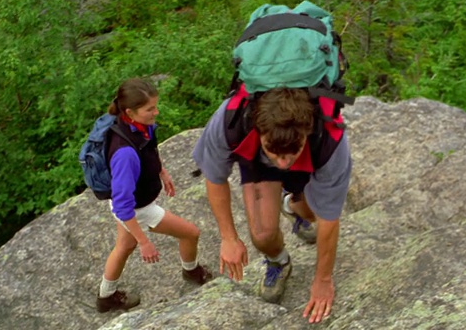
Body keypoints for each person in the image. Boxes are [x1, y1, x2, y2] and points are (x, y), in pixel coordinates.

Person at [192, 85, 351, 323]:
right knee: (263, 236)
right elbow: (215, 178)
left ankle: (292, 206)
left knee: (312, 214)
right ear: (257, 128)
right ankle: (279, 262)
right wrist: (228, 238)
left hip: (307, 159)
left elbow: (329, 218)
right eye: (274, 152)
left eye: (290, 153)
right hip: (258, 163)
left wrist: (323, 279)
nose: (283, 163)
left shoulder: (329, 140)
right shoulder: (231, 121)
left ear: (307, 130)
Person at [96, 78, 213, 313]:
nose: (156, 112)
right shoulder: (125, 154)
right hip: (137, 210)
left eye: (155, 106)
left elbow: (149, 146)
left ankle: (105, 297)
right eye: (150, 109)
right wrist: (145, 241)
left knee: (123, 246)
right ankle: (191, 271)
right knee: (191, 233)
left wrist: (161, 170)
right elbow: (122, 207)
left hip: (128, 203)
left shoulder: (134, 125)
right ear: (130, 111)